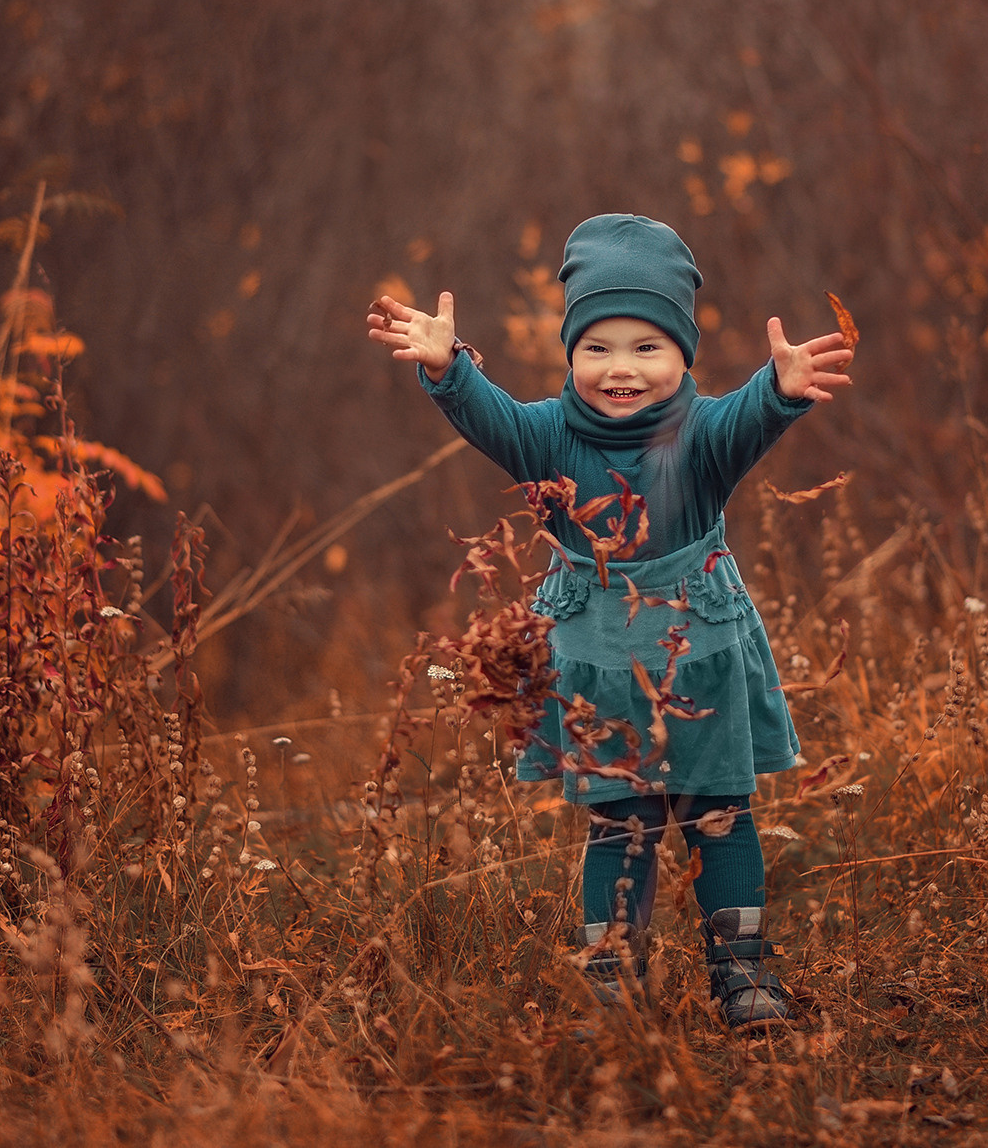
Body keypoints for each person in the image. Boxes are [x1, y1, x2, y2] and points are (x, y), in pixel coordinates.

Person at [365, 213, 853, 1031]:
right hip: (597, 662)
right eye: (597, 347)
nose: (620, 368)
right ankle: (614, 984)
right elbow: (489, 417)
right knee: (618, 823)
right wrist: (450, 368)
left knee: (719, 815)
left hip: (697, 651)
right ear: (570, 353)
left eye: (645, 346)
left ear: (681, 355)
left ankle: (743, 975)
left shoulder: (699, 434)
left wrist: (778, 392)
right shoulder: (547, 436)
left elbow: (744, 419)